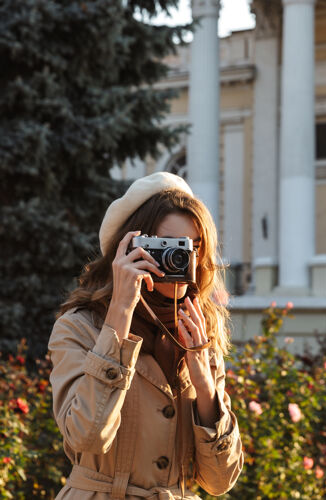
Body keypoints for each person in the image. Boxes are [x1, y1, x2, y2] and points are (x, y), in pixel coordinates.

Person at [48, 172, 243, 499]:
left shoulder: (199, 331)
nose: (182, 260)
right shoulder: (79, 327)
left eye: (192, 248)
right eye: (168, 246)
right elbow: (86, 438)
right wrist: (120, 313)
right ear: (131, 248)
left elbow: (220, 480)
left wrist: (204, 385)